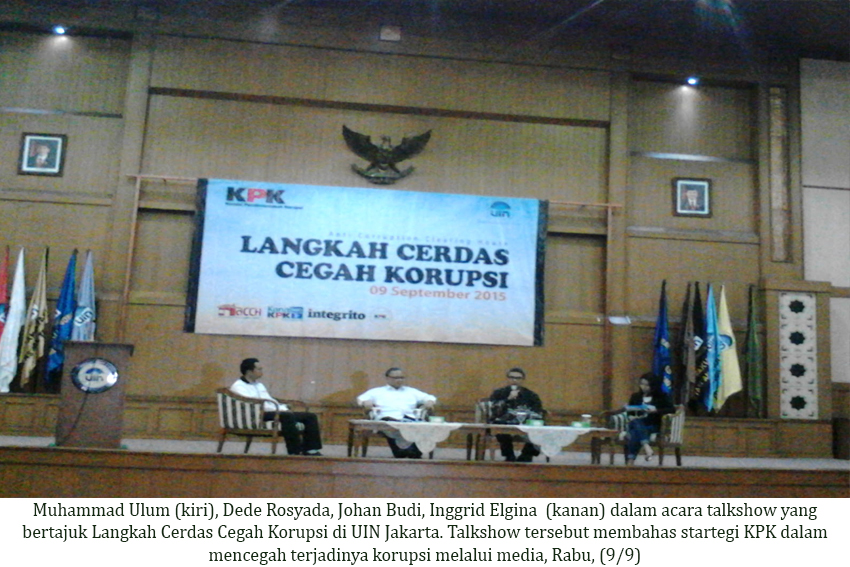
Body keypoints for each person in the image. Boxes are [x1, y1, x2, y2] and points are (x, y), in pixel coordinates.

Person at [230, 358, 323, 456]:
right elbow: (254, 404)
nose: (261, 371)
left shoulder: (259, 385)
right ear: (249, 371)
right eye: (259, 369)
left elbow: (269, 400)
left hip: (270, 410)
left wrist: (282, 407)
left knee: (310, 416)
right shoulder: (239, 386)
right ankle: (295, 451)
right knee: (287, 416)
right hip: (256, 414)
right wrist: (280, 409)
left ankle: (311, 449)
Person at [356, 367, 436, 458]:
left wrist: (429, 402)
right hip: (387, 420)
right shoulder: (377, 391)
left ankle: (408, 450)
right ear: (388, 378)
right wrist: (366, 402)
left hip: (409, 419)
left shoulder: (411, 391)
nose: (399, 380)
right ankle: (404, 450)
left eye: (401, 378)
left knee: (419, 427)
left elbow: (429, 397)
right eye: (396, 378)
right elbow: (362, 399)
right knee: (394, 426)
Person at [489, 367, 544, 462]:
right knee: (499, 426)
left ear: (523, 380)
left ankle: (526, 455)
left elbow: (537, 411)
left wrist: (527, 415)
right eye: (512, 377)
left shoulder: (531, 395)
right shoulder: (498, 393)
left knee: (539, 427)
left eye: (518, 378)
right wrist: (508, 399)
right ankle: (509, 455)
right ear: (507, 379)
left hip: (525, 422)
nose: (514, 380)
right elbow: (493, 409)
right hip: (505, 421)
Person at [621, 372, 674, 465]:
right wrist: (630, 412)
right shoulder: (635, 396)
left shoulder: (662, 397)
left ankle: (630, 461)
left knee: (634, 432)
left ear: (653, 386)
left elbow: (671, 409)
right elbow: (630, 412)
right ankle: (646, 446)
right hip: (638, 423)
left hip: (653, 425)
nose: (643, 387)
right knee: (636, 422)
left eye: (647, 385)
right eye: (642, 384)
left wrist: (656, 410)